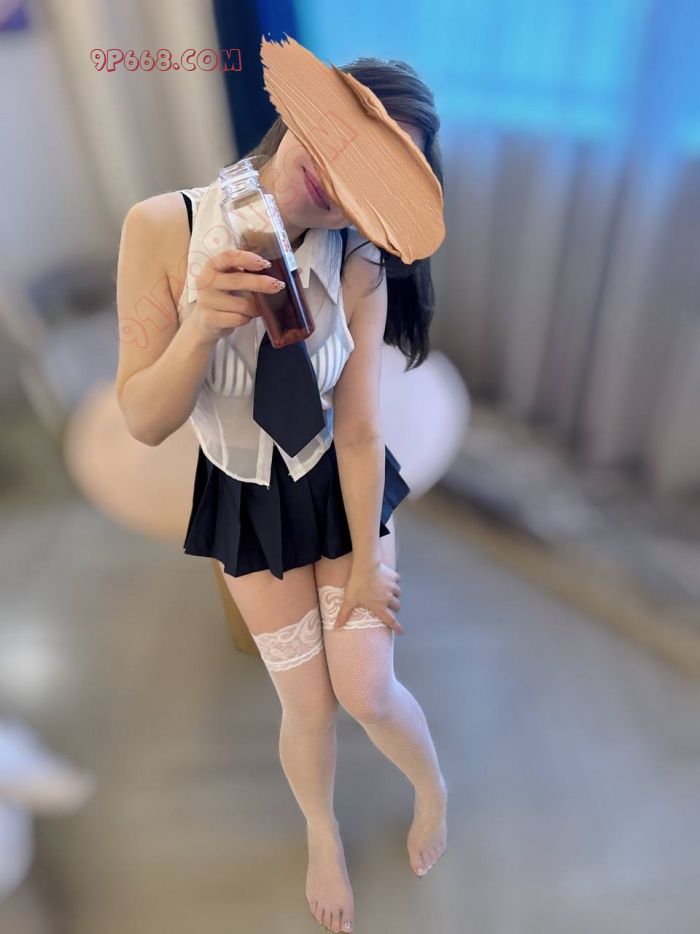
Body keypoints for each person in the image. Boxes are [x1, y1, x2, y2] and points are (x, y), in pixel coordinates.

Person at [116, 56, 447, 934]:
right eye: (345, 138)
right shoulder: (163, 227)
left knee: (367, 689)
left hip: (338, 484)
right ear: (309, 106)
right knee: (306, 704)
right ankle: (320, 832)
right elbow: (143, 419)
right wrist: (199, 325)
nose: (336, 178)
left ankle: (431, 788)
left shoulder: (358, 257)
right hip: (245, 493)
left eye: (370, 179)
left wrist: (369, 560)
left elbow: (360, 426)